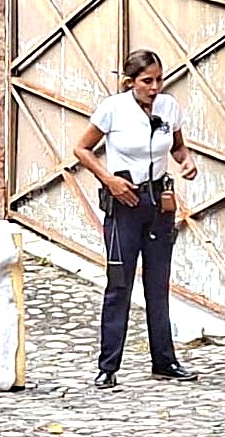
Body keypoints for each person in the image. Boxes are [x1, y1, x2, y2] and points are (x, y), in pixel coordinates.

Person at [73, 49, 199, 389]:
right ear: (130, 82)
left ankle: (165, 360)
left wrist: (186, 162)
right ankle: (108, 365)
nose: (155, 87)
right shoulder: (113, 109)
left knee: (158, 284)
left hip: (158, 202)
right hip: (124, 201)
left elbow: (177, 147)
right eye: (147, 81)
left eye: (159, 80)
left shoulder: (169, 108)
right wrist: (109, 180)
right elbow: (82, 149)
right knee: (120, 283)